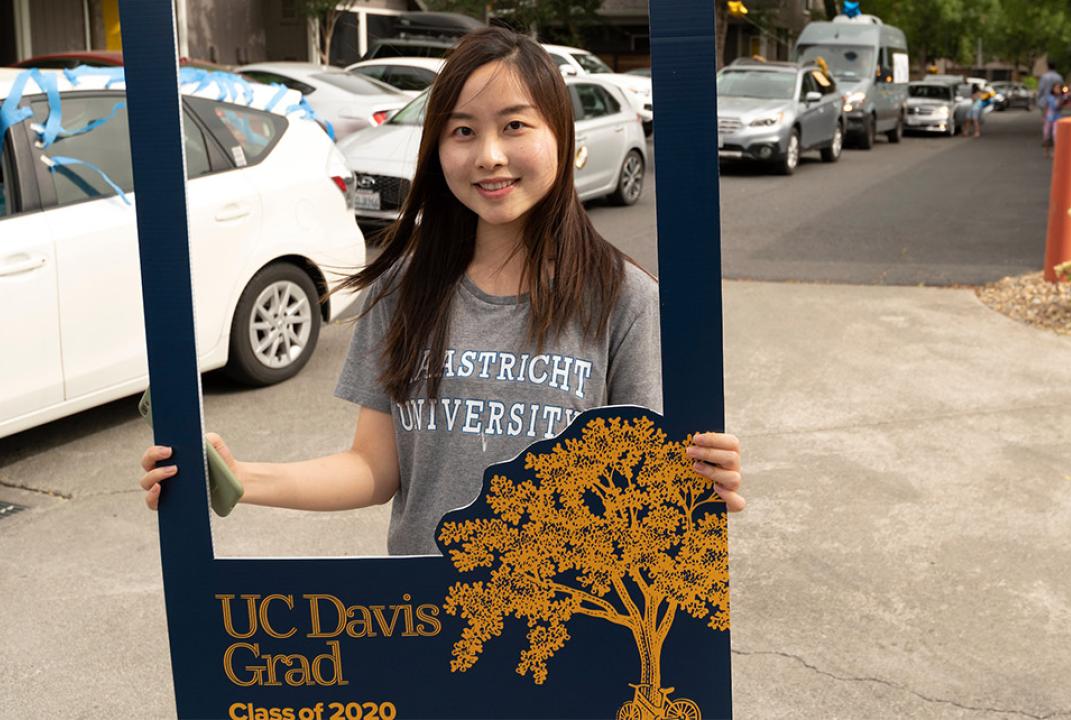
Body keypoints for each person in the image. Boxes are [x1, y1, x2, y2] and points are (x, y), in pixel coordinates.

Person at [138, 27, 747, 555]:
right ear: (438, 148)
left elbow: (640, 483)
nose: (488, 155)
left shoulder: (624, 299)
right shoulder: (404, 289)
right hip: (423, 625)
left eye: (514, 126)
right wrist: (242, 477)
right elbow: (375, 469)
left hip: (572, 626)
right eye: (462, 131)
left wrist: (699, 482)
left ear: (559, 134)